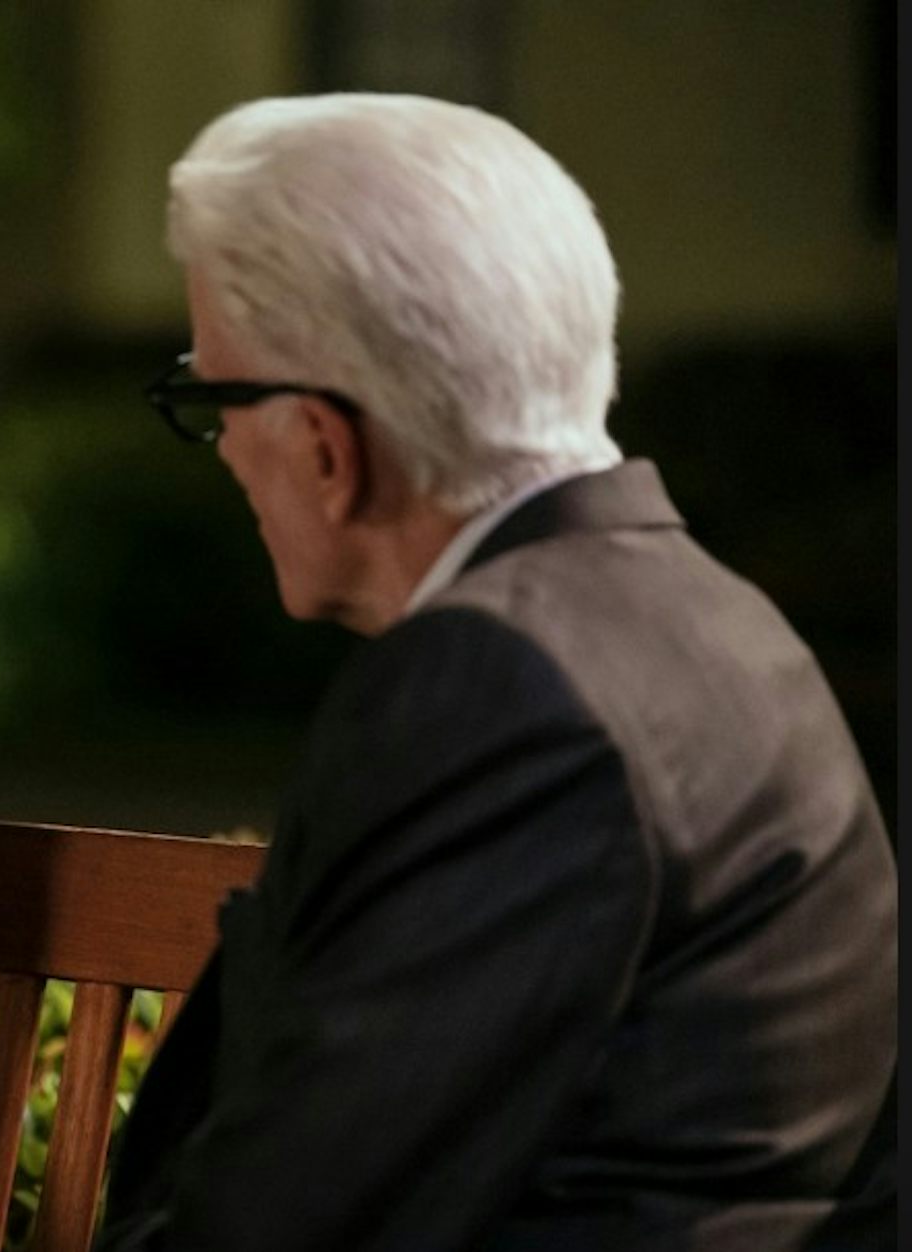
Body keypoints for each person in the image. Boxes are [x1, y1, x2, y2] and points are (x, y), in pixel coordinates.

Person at [98, 94, 895, 1251]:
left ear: (325, 446)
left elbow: (295, 1214)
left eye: (211, 396)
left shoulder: (500, 688)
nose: (221, 446)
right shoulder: (719, 623)